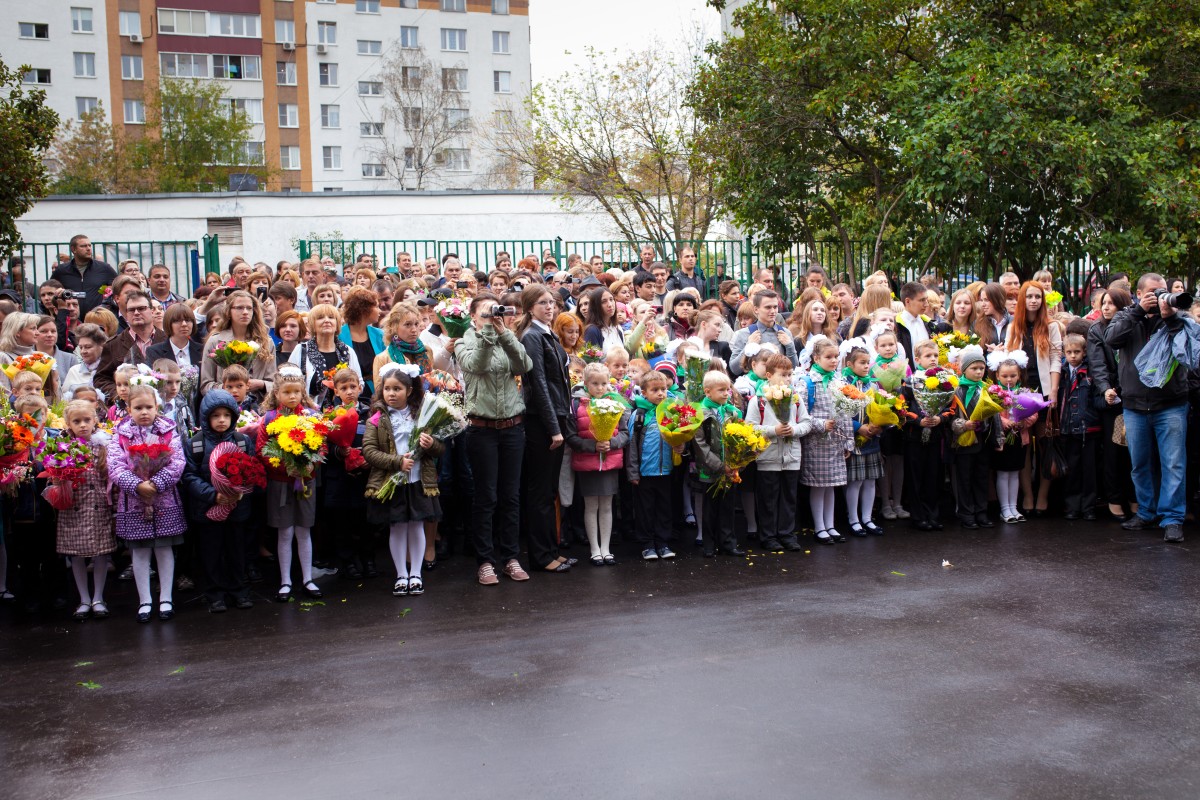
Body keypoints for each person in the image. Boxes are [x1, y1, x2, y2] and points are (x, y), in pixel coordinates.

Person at [1105, 273, 1195, 543]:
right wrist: (1138, 311)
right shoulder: (1126, 316)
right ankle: (1146, 512)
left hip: (1171, 404)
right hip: (1134, 406)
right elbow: (1111, 340)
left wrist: (1169, 316)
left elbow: (1187, 346)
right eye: (1154, 293)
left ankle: (1172, 519)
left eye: (1163, 291)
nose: (1160, 297)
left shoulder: (1179, 319)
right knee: (1140, 464)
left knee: (1173, 464)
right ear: (1140, 293)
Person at [457, 294, 533, 585]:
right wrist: (489, 331)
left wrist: (504, 332)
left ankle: (511, 558)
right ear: (473, 316)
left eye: (494, 311)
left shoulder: (505, 336)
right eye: (485, 312)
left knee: (511, 496)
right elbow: (476, 364)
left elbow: (524, 365)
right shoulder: (465, 340)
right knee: (486, 497)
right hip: (482, 429)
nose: (491, 316)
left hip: (513, 427)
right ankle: (486, 561)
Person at [108, 378, 187, 622]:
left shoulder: (168, 430)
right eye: (138, 408)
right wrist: (137, 485)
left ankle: (165, 598)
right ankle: (144, 600)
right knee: (140, 553)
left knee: (164, 549)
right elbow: (115, 464)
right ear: (129, 408)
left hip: (164, 500)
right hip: (134, 501)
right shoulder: (120, 433)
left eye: (148, 407)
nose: (144, 412)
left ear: (157, 407)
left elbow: (177, 462)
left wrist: (155, 484)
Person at [364, 363, 444, 598]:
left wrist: (432, 445)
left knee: (417, 525)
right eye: (387, 389)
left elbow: (440, 448)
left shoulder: (422, 415)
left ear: (409, 391)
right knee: (397, 527)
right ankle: (401, 574)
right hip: (394, 482)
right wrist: (396, 462)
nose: (391, 393)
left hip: (418, 480)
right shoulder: (377, 419)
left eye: (397, 389)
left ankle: (416, 573)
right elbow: (369, 451)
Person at [182, 390, 257, 613]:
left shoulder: (242, 441)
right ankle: (214, 593)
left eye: (226, 415)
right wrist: (213, 495)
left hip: (237, 507)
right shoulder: (195, 444)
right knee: (211, 552)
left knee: (237, 550)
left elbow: (252, 468)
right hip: (207, 509)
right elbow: (189, 476)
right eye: (216, 416)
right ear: (206, 418)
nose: (222, 420)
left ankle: (238, 590)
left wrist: (239, 491)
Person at [517, 285, 574, 574]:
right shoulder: (532, 337)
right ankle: (541, 556)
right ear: (529, 308)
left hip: (557, 416)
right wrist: (554, 428)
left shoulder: (548, 333)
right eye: (541, 303)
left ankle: (552, 550)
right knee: (540, 491)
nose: (548, 307)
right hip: (542, 421)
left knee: (550, 489)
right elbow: (537, 384)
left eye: (551, 302)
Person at [256, 366, 322, 602]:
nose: (292, 396)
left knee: (304, 531)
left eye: (297, 391)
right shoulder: (270, 419)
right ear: (277, 394)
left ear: (303, 392)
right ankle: (285, 580)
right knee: (285, 532)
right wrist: (286, 467)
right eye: (287, 392)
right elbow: (262, 450)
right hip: (281, 483)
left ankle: (307, 578)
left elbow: (320, 444)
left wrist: (309, 465)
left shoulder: (309, 417)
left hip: (305, 482)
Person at [1005, 281, 1063, 516]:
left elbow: (1057, 359)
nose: (1033, 300)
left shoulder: (1052, 327)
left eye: (1038, 297)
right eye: (1029, 296)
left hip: (1045, 393)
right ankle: (1027, 495)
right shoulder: (1013, 327)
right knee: (1024, 447)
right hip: (1020, 395)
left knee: (1046, 444)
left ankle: (1042, 496)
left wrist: (1055, 391)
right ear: (1022, 299)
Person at [56, 400, 116, 621]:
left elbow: (112, 480)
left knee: (101, 553)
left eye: (87, 420)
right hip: (74, 507)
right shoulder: (62, 446)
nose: (82, 425)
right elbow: (54, 478)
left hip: (99, 506)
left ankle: (98, 597)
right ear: (68, 424)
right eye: (77, 421)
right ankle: (83, 598)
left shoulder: (104, 446)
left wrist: (116, 507)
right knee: (76, 555)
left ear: (95, 421)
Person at [564, 363, 630, 566]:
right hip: (588, 463)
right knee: (591, 506)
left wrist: (611, 443)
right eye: (594, 384)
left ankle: (606, 548)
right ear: (586, 383)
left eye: (603, 383)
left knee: (607, 506)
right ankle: (594, 549)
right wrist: (592, 446)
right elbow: (571, 436)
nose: (600, 388)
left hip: (609, 462)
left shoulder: (616, 404)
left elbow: (625, 434)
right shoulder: (577, 405)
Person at [745, 353, 811, 552]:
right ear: (768, 375)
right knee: (768, 499)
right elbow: (750, 427)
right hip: (769, 457)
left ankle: (787, 534)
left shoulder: (795, 399)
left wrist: (794, 429)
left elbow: (806, 423)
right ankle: (768, 535)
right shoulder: (759, 401)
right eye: (782, 375)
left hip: (791, 457)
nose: (787, 379)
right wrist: (773, 431)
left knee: (789, 497)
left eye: (790, 375)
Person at [319, 368, 375, 580]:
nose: (350, 391)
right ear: (336, 393)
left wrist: (369, 457)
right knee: (342, 522)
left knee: (365, 520)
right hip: (340, 477)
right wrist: (338, 451)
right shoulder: (330, 416)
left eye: (353, 387)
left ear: (360, 388)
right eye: (344, 388)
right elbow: (323, 445)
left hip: (364, 475)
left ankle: (368, 559)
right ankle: (348, 561)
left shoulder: (369, 413)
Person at [1086, 286, 1135, 521]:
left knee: (1135, 452)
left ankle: (1135, 498)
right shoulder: (1097, 330)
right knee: (1115, 450)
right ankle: (1115, 498)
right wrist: (1106, 389)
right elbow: (1098, 365)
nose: (1105, 307)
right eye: (1103, 303)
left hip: (1137, 398)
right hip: (1113, 400)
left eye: (1111, 303)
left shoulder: (1135, 324)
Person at [800, 337, 854, 544]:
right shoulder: (807, 383)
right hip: (817, 442)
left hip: (835, 442)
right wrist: (821, 424)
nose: (833, 361)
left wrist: (848, 441)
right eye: (828, 357)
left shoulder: (839, 381)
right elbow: (803, 415)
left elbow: (847, 413)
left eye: (836, 357)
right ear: (816, 358)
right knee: (818, 486)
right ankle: (819, 526)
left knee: (832, 485)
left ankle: (830, 525)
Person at [690, 371, 745, 557]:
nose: (726, 394)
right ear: (707, 392)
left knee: (728, 508)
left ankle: (728, 543)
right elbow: (701, 445)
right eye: (721, 390)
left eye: (728, 390)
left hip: (730, 470)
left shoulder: (731, 412)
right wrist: (721, 466)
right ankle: (708, 544)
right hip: (710, 470)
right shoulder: (700, 414)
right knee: (710, 509)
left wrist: (737, 462)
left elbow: (739, 438)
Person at [626, 370, 679, 560]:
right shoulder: (639, 415)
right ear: (644, 392)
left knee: (664, 509)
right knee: (645, 510)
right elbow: (632, 445)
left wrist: (680, 447)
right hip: (645, 473)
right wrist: (633, 472)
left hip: (665, 471)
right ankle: (647, 544)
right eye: (655, 390)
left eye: (663, 389)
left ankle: (663, 543)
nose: (660, 393)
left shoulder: (671, 412)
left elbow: (679, 437)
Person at [901, 340, 949, 531]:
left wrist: (940, 418)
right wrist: (917, 420)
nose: (933, 359)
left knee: (933, 476)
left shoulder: (945, 381)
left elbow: (950, 407)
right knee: (915, 476)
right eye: (928, 356)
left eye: (935, 356)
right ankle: (918, 515)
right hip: (914, 436)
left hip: (935, 436)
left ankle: (933, 514)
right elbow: (902, 407)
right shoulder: (910, 382)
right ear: (918, 359)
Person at [950, 346, 998, 529]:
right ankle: (966, 513)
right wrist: (963, 425)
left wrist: (998, 438)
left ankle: (981, 512)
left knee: (981, 477)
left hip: (983, 440)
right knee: (964, 478)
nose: (979, 372)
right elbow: (951, 417)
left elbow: (995, 417)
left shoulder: (986, 389)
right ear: (964, 370)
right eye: (974, 368)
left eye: (981, 368)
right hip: (964, 442)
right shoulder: (956, 391)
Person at [841, 343, 885, 535]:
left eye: (868, 363)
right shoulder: (843, 384)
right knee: (856, 481)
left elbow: (882, 407)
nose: (866, 366)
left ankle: (867, 518)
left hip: (872, 438)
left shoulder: (872, 384)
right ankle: (853, 519)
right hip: (855, 438)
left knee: (870, 481)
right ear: (850, 364)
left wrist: (878, 425)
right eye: (862, 363)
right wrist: (858, 428)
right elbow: (840, 413)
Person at [199, 290, 276, 400]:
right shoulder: (215, 341)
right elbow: (205, 385)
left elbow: (273, 384)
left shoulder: (266, 342)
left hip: (257, 406)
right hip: (224, 405)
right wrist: (229, 388)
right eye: (239, 308)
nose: (245, 312)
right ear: (229, 311)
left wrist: (260, 384)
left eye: (249, 308)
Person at [1057, 333, 1101, 521]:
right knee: (1072, 469)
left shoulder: (1091, 372)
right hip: (1068, 428)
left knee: (1089, 470)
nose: (1073, 356)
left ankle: (1089, 506)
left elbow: (1096, 398)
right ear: (1064, 353)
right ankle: (1072, 506)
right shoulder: (1061, 373)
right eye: (1069, 352)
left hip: (1088, 428)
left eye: (1077, 352)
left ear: (1084, 352)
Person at [989, 349, 1035, 523]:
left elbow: (1033, 412)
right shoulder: (993, 392)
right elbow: (990, 412)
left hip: (1018, 436)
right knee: (1002, 472)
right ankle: (1004, 509)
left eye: (1013, 376)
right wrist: (1003, 421)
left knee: (1015, 472)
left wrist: (1024, 422)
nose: (1009, 379)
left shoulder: (1024, 391)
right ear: (998, 376)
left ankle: (1013, 507)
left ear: (1019, 375)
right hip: (1002, 437)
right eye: (1005, 376)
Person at [94, 291, 167, 400]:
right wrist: (120, 395)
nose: (136, 313)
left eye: (141, 308)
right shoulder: (113, 345)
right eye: (131, 310)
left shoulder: (167, 340)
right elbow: (101, 379)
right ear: (126, 315)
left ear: (152, 311)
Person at [289, 304, 362, 409]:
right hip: (308, 414)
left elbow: (359, 382)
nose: (327, 320)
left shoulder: (348, 352)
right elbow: (289, 382)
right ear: (312, 324)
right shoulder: (301, 350)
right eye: (320, 318)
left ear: (337, 323)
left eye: (331, 317)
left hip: (343, 413)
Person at [729, 291, 796, 376]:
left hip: (780, 386)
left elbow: (793, 369)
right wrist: (748, 348)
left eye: (775, 307)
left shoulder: (785, 333)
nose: (773, 311)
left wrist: (790, 346)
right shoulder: (744, 334)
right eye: (768, 307)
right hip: (753, 386)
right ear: (756, 309)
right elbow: (734, 369)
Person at [51, 235, 116, 316]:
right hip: (71, 318)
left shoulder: (104, 268)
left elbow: (117, 288)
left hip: (97, 317)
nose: (88, 248)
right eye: (83, 246)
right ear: (73, 249)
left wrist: (101, 292)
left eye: (89, 245)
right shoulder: (61, 270)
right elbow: (51, 290)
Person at [339, 288, 384, 398]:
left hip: (378, 392)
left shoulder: (380, 335)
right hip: (350, 394)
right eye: (376, 306)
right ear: (364, 309)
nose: (380, 311)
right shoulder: (339, 336)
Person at [62, 324, 107, 400]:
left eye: (88, 347)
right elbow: (63, 402)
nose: (83, 351)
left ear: (101, 346)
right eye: (80, 347)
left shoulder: (110, 369)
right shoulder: (74, 371)